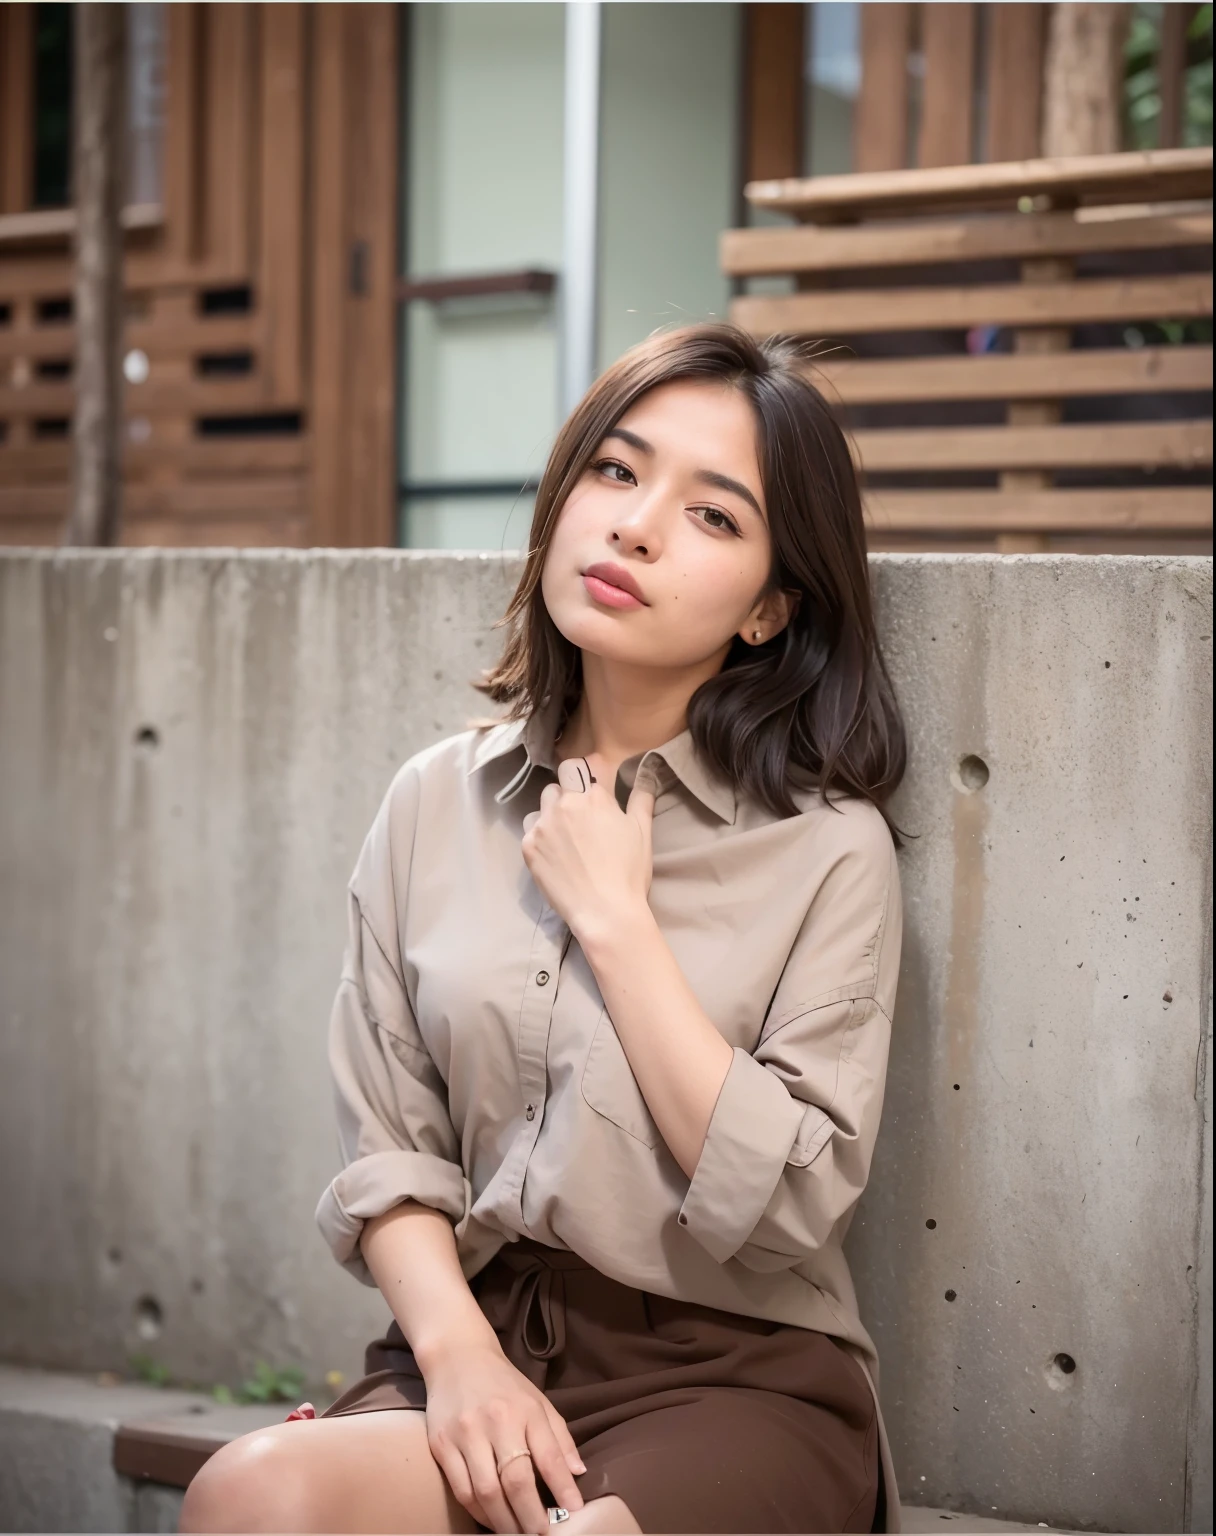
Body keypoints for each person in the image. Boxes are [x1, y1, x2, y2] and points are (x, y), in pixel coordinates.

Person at [178, 321, 907, 1536]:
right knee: (252, 1498)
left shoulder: (829, 850)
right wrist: (459, 1361)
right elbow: (390, 1150)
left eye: (713, 516)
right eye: (615, 472)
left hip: (734, 1378)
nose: (634, 525)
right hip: (475, 1342)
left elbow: (786, 1206)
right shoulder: (434, 800)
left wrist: (617, 923)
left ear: (771, 610)